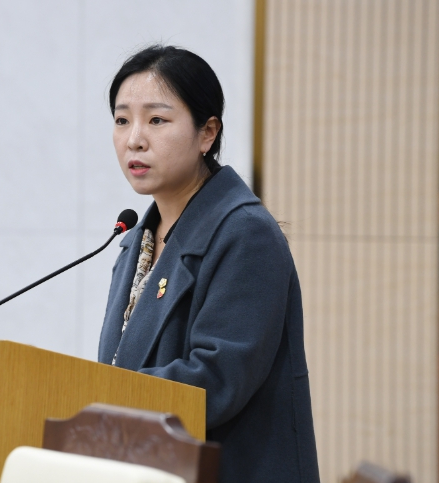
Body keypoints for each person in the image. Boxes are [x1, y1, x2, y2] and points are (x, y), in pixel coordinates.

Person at [98, 45, 320, 482]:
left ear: (207, 134)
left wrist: (93, 397)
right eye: (122, 120)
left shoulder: (245, 234)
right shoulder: (135, 243)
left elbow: (217, 380)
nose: (134, 138)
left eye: (157, 120)